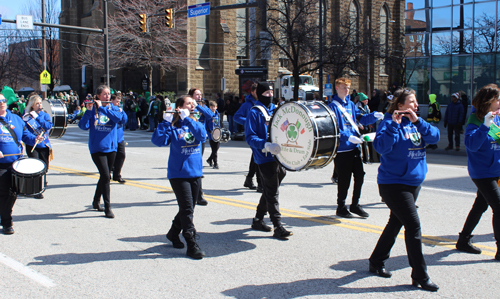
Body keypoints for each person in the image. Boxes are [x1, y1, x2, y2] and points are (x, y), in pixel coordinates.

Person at [368, 88, 440, 292]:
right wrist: (393, 126)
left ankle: (376, 260)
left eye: (416, 102)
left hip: (413, 182)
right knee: (413, 225)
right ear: (400, 105)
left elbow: (434, 137)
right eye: (411, 102)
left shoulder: (417, 122)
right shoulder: (388, 123)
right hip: (393, 184)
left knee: (395, 223)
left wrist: (418, 121)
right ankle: (420, 275)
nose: (416, 105)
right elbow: (381, 147)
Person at [152, 95, 207, 259]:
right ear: (180, 107)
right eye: (188, 103)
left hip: (195, 172)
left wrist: (188, 119)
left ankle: (173, 233)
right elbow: (158, 141)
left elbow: (202, 136)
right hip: (178, 174)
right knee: (187, 208)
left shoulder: (195, 122)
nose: (192, 105)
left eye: (193, 103)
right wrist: (166, 122)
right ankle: (191, 242)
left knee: (188, 207)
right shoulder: (174, 127)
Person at [455, 84, 500, 260]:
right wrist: (485, 126)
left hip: (495, 169)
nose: (499, 102)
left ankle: (463, 239)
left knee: (480, 205)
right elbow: (472, 146)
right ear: (488, 102)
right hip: (482, 172)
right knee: (498, 207)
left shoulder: (496, 118)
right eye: (497, 100)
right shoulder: (475, 120)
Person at [328, 78, 383, 218]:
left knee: (360, 176)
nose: (346, 90)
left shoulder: (351, 104)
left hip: (354, 146)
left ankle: (355, 205)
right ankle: (341, 206)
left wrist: (373, 116)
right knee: (344, 179)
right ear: (337, 88)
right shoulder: (332, 106)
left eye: (347, 88)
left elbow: (360, 119)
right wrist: (347, 137)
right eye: (343, 87)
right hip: (342, 149)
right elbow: (333, 128)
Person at [245, 82, 292, 239]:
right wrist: (265, 145)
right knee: (272, 191)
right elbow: (250, 137)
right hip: (264, 156)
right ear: (259, 94)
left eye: (271, 92)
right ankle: (277, 225)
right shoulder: (254, 112)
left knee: (271, 187)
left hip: (278, 155)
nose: (270, 95)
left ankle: (258, 219)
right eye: (266, 93)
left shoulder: (276, 110)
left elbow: (283, 128)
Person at [0, 94, 42, 234]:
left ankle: (5, 215)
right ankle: (7, 223)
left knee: (14, 193)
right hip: (1, 164)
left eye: (3, 100)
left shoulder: (16, 119)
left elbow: (25, 135)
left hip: (16, 163)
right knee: (4, 193)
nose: (2, 103)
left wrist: (35, 138)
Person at [78, 85, 122, 218]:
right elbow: (83, 126)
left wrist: (103, 108)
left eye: (109, 94)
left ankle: (96, 201)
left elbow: (119, 118)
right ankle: (108, 207)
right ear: (98, 96)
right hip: (97, 148)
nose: (107, 96)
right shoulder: (93, 109)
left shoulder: (112, 108)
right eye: (104, 94)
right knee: (105, 175)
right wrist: (88, 111)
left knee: (105, 175)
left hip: (111, 147)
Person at [23, 95, 53, 199]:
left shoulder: (44, 115)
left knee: (44, 166)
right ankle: (36, 190)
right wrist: (33, 138)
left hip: (43, 144)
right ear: (32, 105)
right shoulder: (27, 116)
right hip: (32, 144)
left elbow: (48, 126)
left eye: (40, 103)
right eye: (37, 103)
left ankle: (42, 182)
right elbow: (24, 130)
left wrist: (37, 117)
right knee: (35, 167)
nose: (39, 105)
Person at [234, 83, 262, 191]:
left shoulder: (263, 103)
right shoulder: (247, 105)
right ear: (252, 92)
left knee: (256, 157)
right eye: (257, 91)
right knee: (258, 157)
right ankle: (260, 184)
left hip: (262, 134)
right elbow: (237, 117)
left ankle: (249, 179)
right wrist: (249, 121)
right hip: (252, 134)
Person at [189, 88, 214, 206]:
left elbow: (210, 115)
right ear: (191, 95)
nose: (199, 96)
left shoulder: (201, 106)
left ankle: (199, 195)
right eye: (196, 94)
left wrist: (198, 106)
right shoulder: (186, 105)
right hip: (188, 137)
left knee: (198, 165)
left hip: (199, 138)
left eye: (200, 94)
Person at [111, 94, 128, 183]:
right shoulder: (109, 109)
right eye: (117, 101)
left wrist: (121, 112)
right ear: (112, 101)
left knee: (121, 155)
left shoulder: (119, 109)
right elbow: (116, 119)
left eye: (119, 101)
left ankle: (117, 174)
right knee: (111, 157)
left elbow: (124, 120)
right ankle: (109, 172)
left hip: (119, 137)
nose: (118, 103)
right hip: (111, 137)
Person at [206, 100, 221, 169]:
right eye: (211, 107)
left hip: (217, 134)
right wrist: (208, 131)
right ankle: (215, 163)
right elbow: (206, 125)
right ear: (209, 107)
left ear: (216, 107)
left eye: (214, 107)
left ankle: (209, 159)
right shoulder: (208, 115)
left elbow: (219, 123)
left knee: (216, 149)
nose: (213, 108)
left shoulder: (218, 114)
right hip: (211, 135)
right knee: (214, 150)